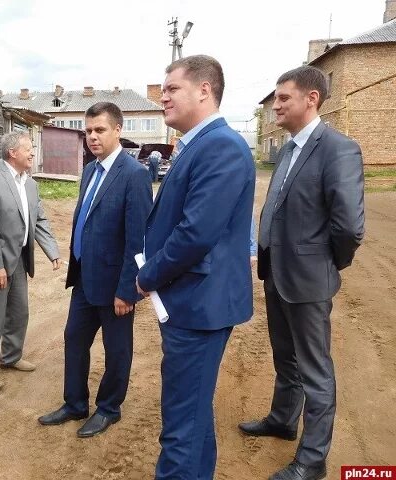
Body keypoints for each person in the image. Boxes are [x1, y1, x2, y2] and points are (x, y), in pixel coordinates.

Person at [238, 66, 365, 480]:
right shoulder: (290, 149)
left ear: (311, 99)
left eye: (283, 98)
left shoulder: (338, 149)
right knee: (285, 358)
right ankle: (281, 419)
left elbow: (348, 227)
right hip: (278, 274)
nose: (275, 105)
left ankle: (312, 462)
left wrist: (327, 265)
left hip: (309, 280)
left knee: (315, 370)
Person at [136, 55, 255, 479]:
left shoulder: (219, 145)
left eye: (172, 89)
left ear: (205, 90)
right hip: (192, 303)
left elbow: (194, 234)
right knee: (192, 414)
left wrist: (146, 277)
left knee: (181, 427)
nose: (162, 97)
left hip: (199, 307)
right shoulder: (200, 144)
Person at [38, 102, 152, 438]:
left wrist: (128, 289)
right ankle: (75, 403)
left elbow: (138, 238)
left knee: (117, 350)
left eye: (99, 129)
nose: (92, 136)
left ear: (118, 130)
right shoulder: (90, 170)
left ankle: (108, 408)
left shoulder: (135, 175)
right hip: (85, 279)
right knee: (74, 338)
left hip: (116, 284)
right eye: (88, 130)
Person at [0, 131, 60, 391]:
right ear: (12, 152)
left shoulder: (29, 183)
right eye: (28, 148)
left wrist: (52, 250)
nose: (33, 152)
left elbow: (39, 219)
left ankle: (10, 357)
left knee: (19, 312)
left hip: (19, 259)